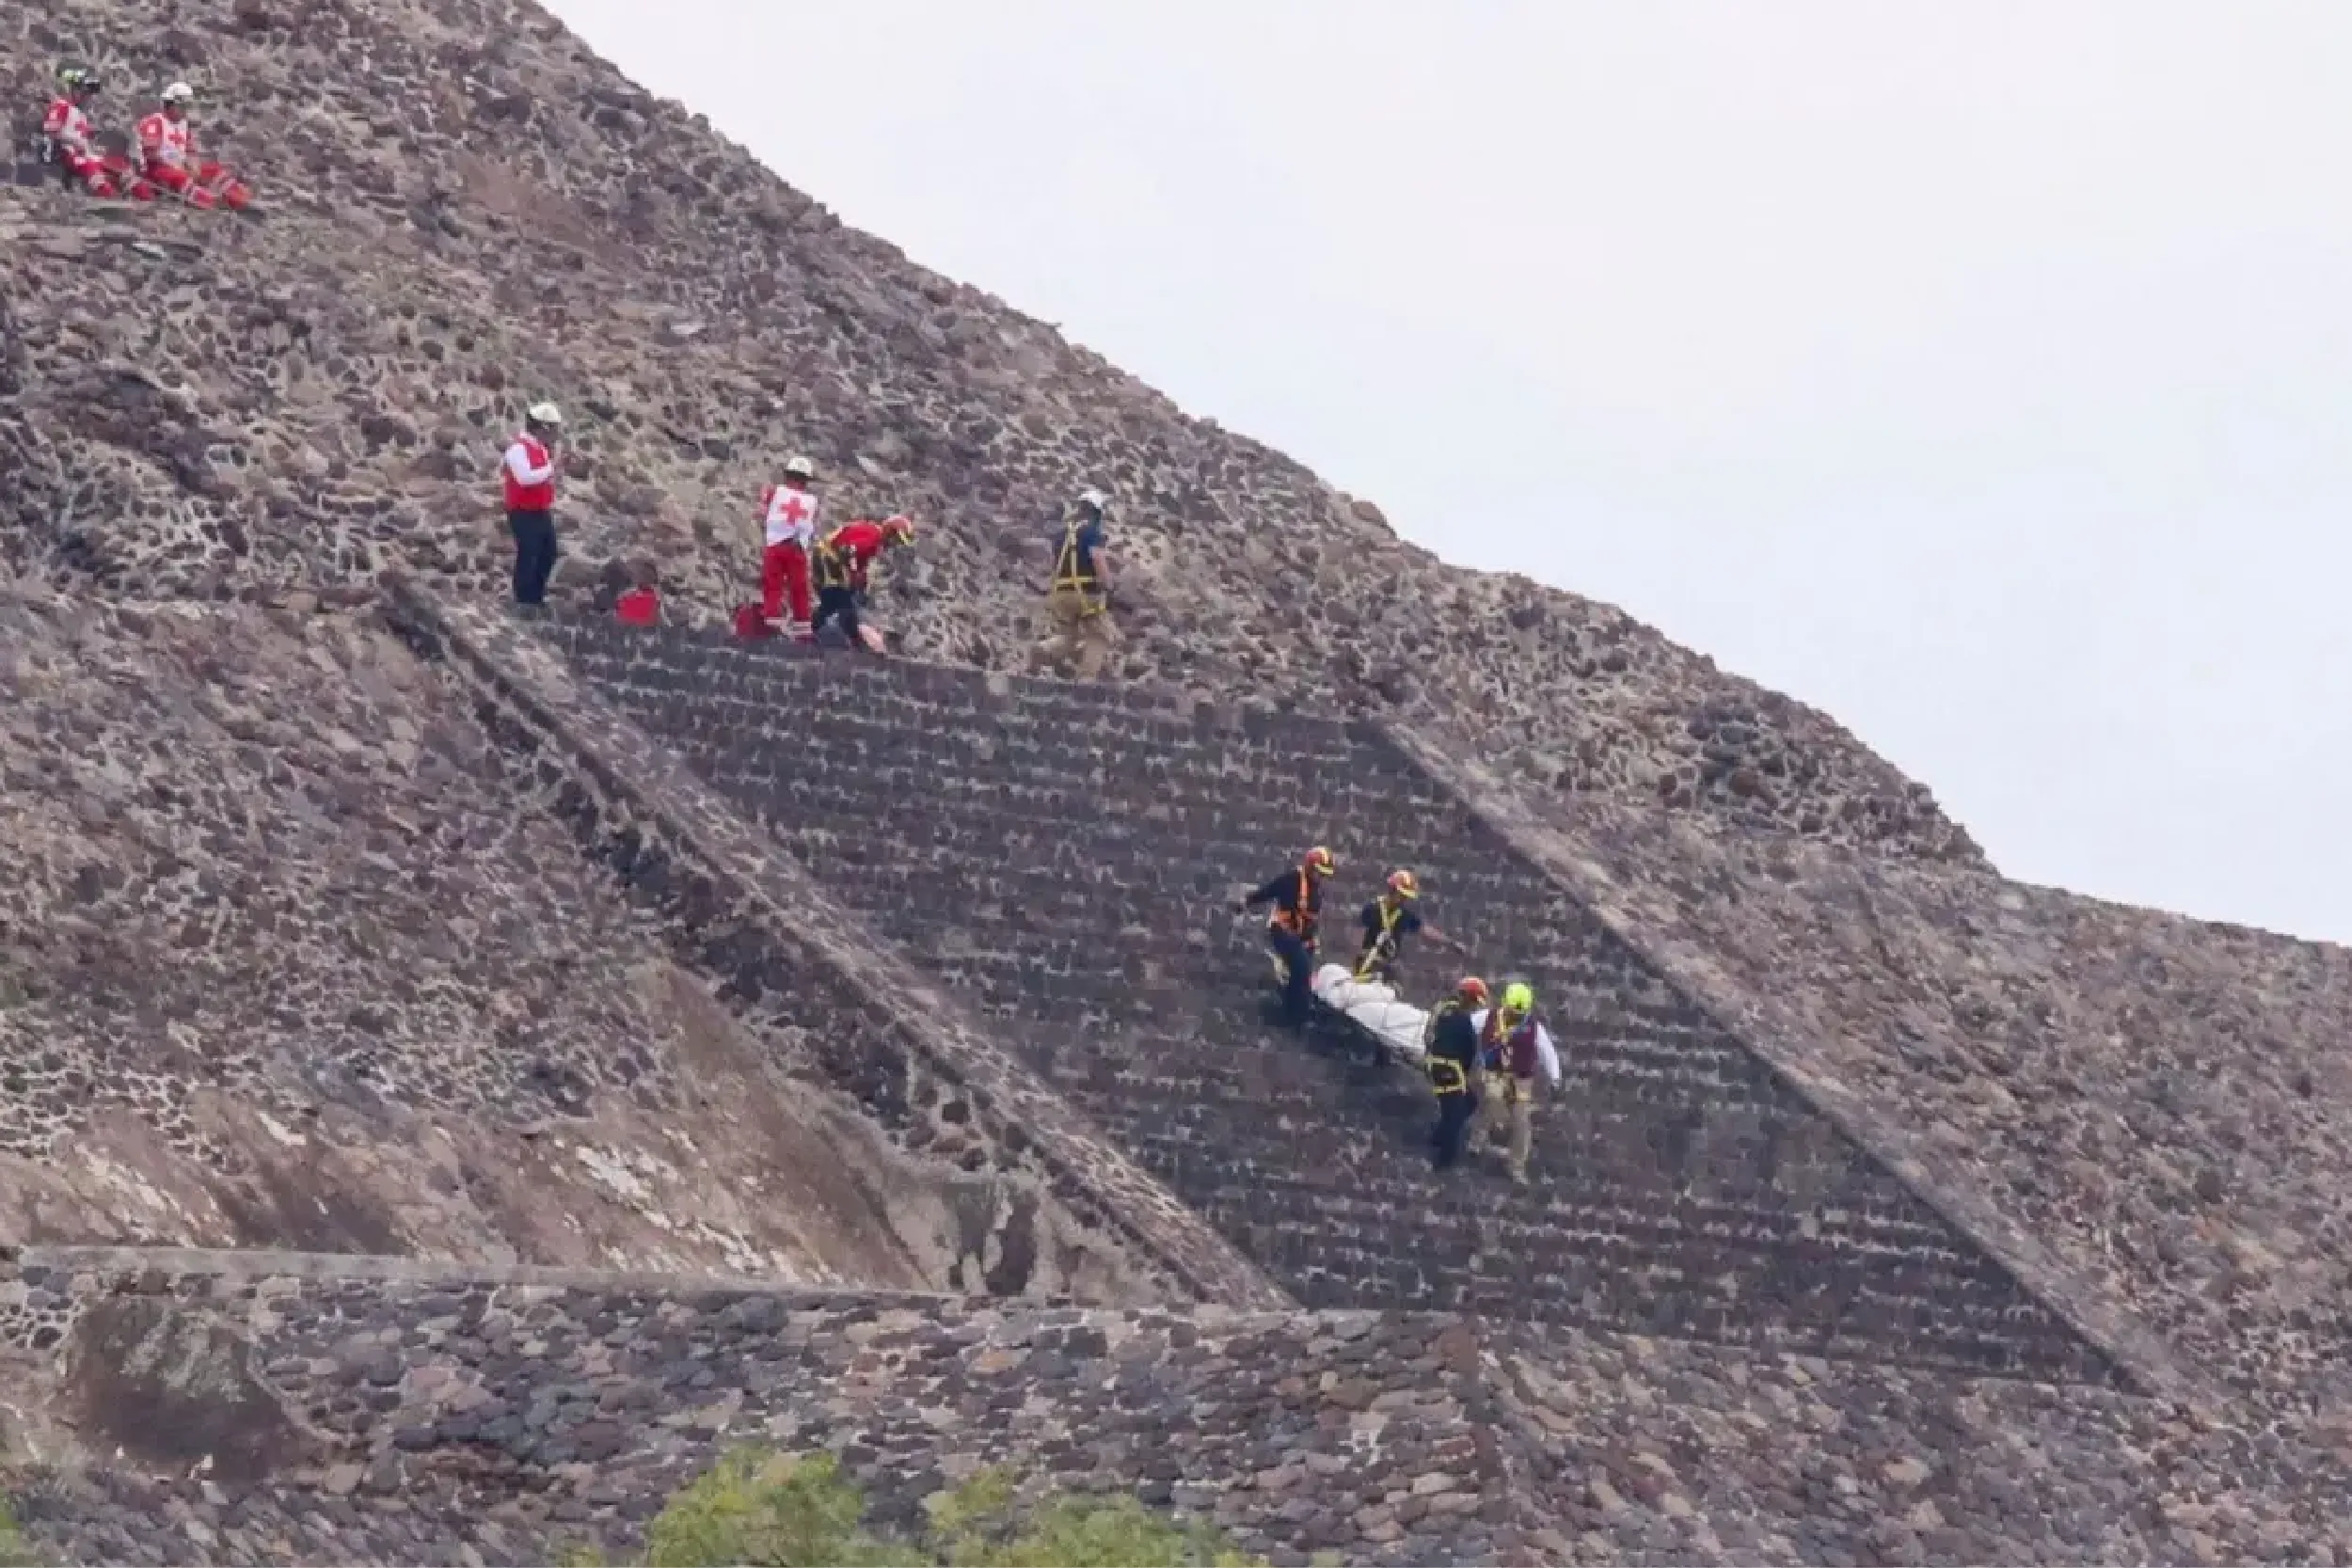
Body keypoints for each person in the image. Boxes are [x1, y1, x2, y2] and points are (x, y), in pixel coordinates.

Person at [1469, 981, 1563, 1184]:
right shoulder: (1489, 1017)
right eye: (1513, 1012)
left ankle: (1516, 1165)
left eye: (1520, 1014)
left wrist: (1555, 1078)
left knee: (1521, 1120)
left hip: (1521, 1078)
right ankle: (1478, 1138)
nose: (1516, 1017)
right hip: (1493, 1071)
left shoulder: (1534, 1028)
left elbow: (1548, 1053)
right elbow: (1467, 1027)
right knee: (1494, 1101)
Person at [1239, 847, 1337, 1026]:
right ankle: (1294, 1017)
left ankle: (1295, 1011)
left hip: (1303, 938)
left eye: (1324, 874)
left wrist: (1311, 941)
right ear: (1309, 867)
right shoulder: (1292, 880)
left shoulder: (1317, 889)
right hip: (1283, 933)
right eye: (1318, 872)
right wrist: (1246, 901)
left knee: (1303, 977)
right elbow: (1269, 891)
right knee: (1302, 968)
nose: (1321, 877)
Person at [1035, 487, 1116, 679]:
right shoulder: (1092, 532)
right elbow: (1098, 560)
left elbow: (1055, 565)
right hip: (1085, 595)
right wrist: (1109, 586)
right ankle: (1086, 679)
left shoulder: (1062, 535)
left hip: (1061, 594)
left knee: (1069, 636)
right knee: (1100, 636)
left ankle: (1043, 650)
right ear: (1097, 511)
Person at [135, 83, 252, 211]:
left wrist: (194, 167)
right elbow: (150, 153)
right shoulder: (154, 122)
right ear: (171, 105)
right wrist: (175, 165)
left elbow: (190, 151)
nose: (185, 111)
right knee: (179, 177)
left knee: (214, 170)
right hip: (156, 169)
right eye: (182, 107)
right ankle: (208, 202)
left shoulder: (183, 126)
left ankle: (237, 197)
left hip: (179, 166)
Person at [809, 514, 916, 651]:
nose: (894, 544)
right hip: (829, 558)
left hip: (830, 558)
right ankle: (854, 637)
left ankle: (814, 629)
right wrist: (854, 575)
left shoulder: (873, 534)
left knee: (835, 600)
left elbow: (858, 558)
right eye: (896, 539)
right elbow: (849, 551)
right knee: (841, 598)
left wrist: (861, 576)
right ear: (890, 532)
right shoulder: (874, 537)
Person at [41, 69, 145, 199]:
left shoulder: (81, 113)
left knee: (118, 165)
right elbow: (50, 131)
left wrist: (93, 135)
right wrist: (76, 140)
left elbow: (82, 134)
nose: (88, 97)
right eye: (85, 93)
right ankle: (109, 198)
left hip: (85, 154)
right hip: (65, 154)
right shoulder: (61, 105)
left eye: (89, 94)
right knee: (92, 167)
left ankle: (143, 198)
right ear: (73, 89)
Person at [501, 403, 564, 610]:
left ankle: (535, 596)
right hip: (522, 511)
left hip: (540, 509)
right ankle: (524, 598)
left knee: (548, 552)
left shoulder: (541, 450)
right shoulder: (517, 449)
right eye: (553, 428)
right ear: (542, 428)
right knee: (528, 552)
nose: (556, 434)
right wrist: (552, 468)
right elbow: (525, 478)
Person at [1353, 869, 1462, 985]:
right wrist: (1362, 956)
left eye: (1406, 896)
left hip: (1387, 964)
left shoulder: (1403, 914)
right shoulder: (1372, 909)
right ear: (1392, 890)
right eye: (1402, 895)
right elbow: (1357, 933)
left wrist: (1450, 943)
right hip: (1367, 963)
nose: (1405, 899)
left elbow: (1424, 930)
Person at [1423, 976, 1489, 1170]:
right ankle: (1444, 1161)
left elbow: (1429, 1034)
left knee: (1469, 1102)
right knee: (1455, 1113)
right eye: (1475, 1001)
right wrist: (1468, 1071)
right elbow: (1468, 1049)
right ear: (1468, 997)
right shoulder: (1462, 1019)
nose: (1475, 1007)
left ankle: (1438, 1137)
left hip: (1436, 1065)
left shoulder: (1442, 1009)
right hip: (1450, 1070)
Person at [756, 455, 820, 636]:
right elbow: (812, 523)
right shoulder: (812, 501)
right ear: (806, 480)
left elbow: (762, 509)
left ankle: (771, 624)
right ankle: (803, 631)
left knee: (772, 584)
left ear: (788, 475)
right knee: (800, 589)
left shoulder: (775, 491)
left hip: (776, 546)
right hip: (797, 548)